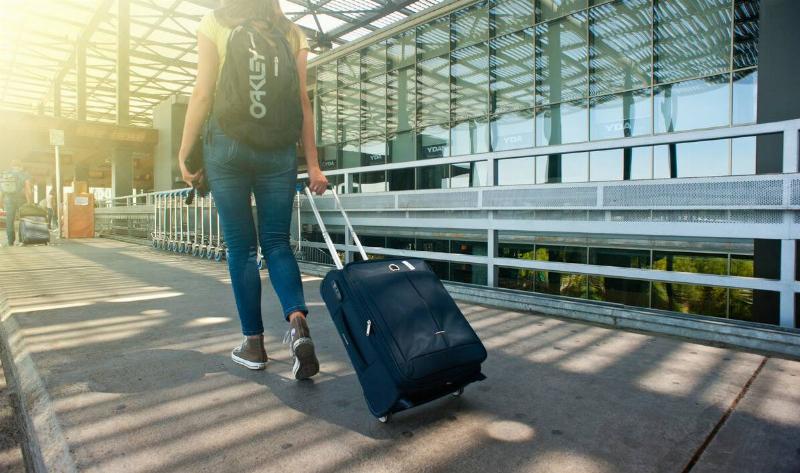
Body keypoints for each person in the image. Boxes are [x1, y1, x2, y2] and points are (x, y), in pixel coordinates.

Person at [178, 0, 328, 379]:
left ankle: (254, 344)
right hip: (278, 151)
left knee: (241, 248)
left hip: (226, 146)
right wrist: (312, 164)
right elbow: (302, 102)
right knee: (277, 242)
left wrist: (184, 151)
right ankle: (297, 324)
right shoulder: (292, 32)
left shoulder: (215, 21)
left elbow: (203, 92)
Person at [0, 160, 32, 246]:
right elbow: (27, 189)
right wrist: (30, 202)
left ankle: (10, 241)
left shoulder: (5, 174)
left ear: (12, 166)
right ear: (20, 166)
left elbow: (1, 189)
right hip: (21, 200)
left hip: (8, 199)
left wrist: (1, 201)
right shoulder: (24, 174)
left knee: (9, 220)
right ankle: (22, 240)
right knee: (23, 220)